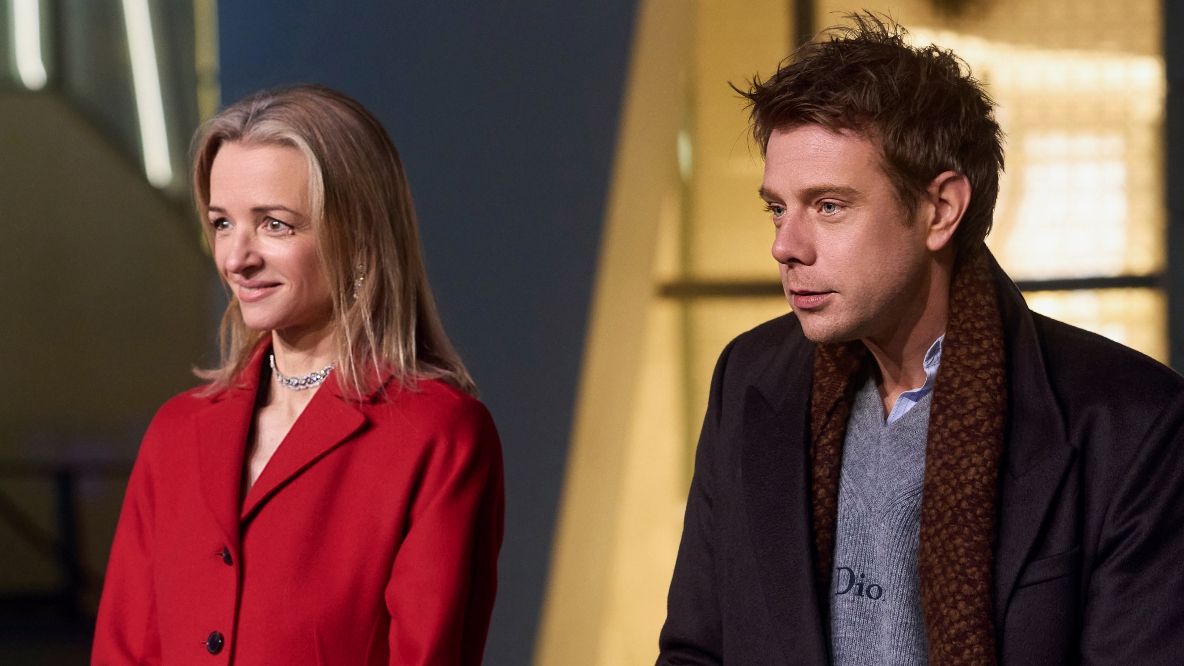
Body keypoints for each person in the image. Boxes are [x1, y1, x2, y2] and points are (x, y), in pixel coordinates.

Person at [658, 13, 1184, 665]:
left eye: (829, 206)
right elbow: (696, 650)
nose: (785, 247)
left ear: (941, 210)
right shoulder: (750, 377)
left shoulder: (1132, 422)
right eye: (777, 208)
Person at [92, 85, 504, 665]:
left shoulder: (436, 434)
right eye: (222, 223)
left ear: (358, 236)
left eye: (274, 224)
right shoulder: (177, 431)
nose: (237, 258)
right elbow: (123, 650)